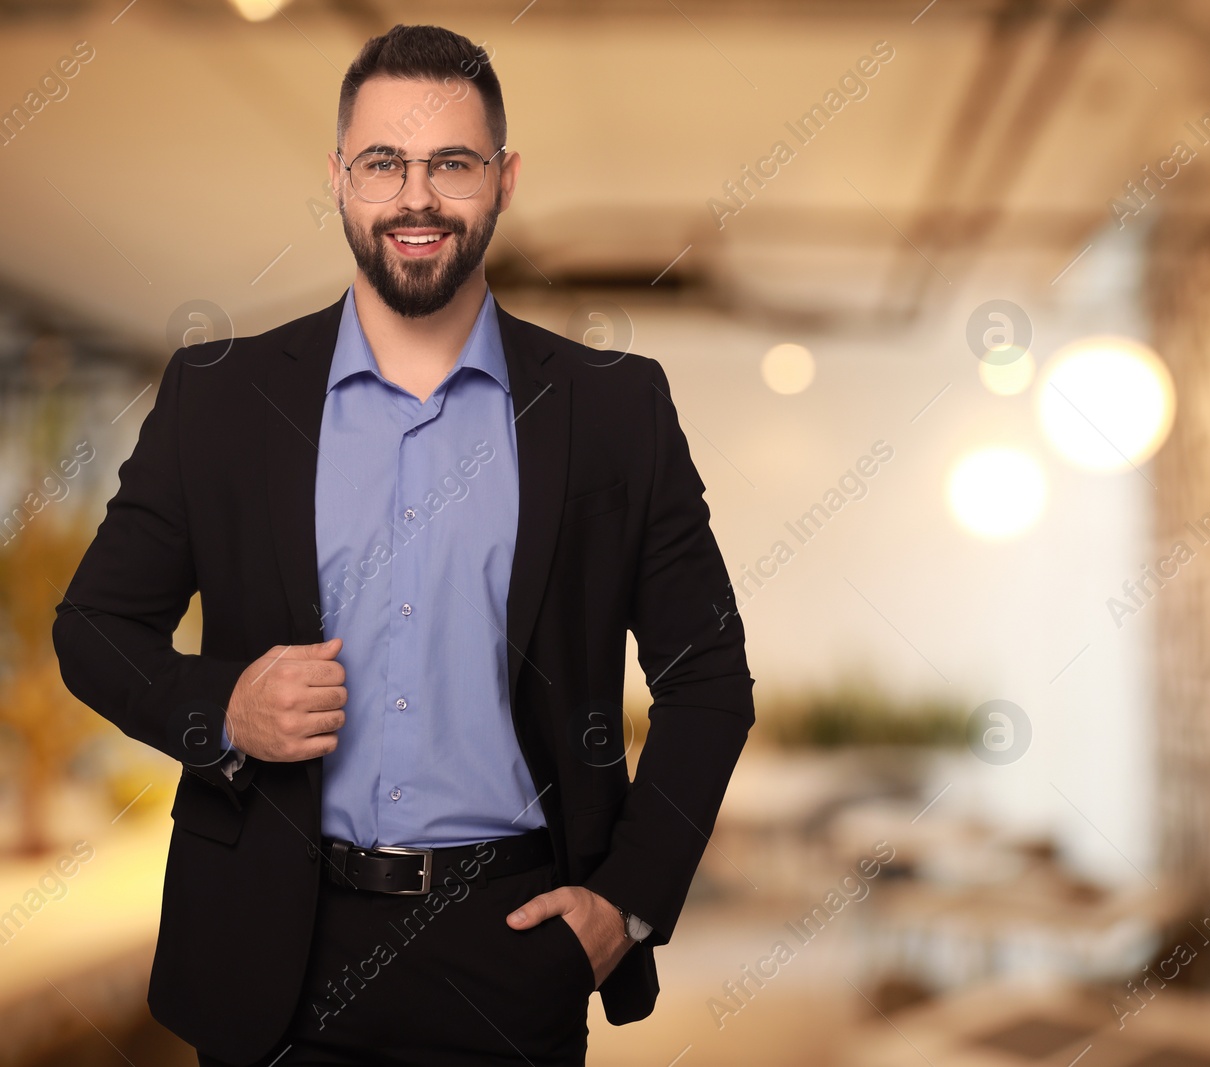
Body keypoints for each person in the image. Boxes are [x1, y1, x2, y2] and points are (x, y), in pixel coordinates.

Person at [52, 23, 754, 1067]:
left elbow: (709, 680)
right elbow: (95, 629)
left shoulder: (614, 410)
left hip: (515, 954)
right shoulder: (220, 401)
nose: (416, 197)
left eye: (452, 165)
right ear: (339, 177)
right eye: (384, 163)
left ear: (503, 181)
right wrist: (225, 706)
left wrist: (627, 902)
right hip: (272, 957)